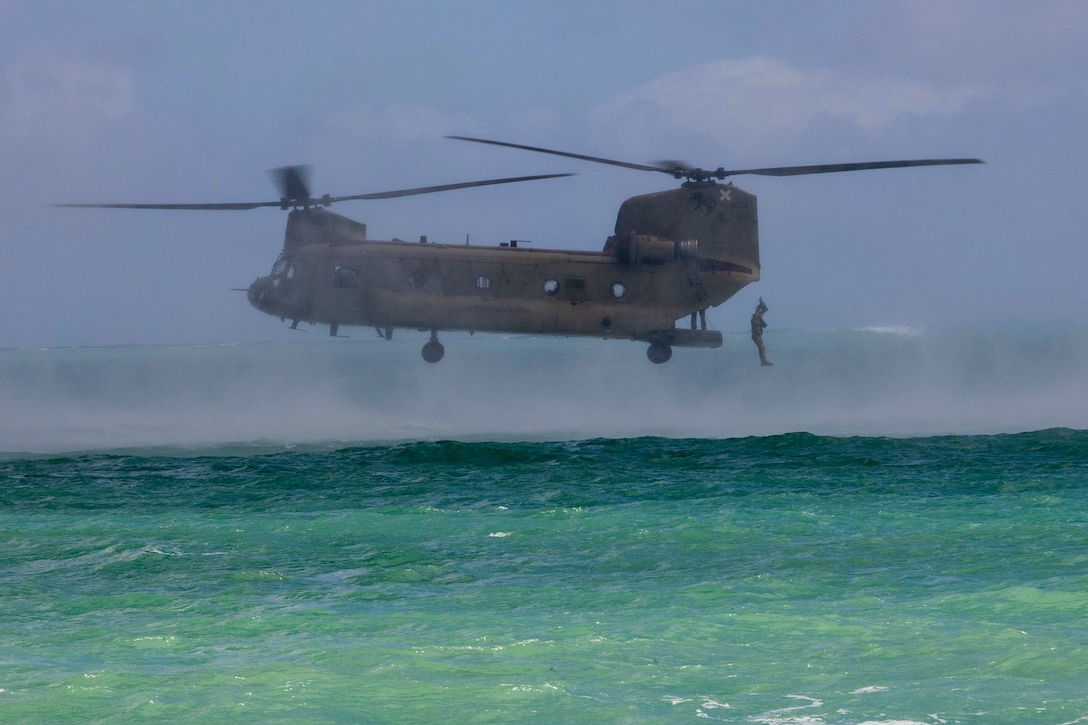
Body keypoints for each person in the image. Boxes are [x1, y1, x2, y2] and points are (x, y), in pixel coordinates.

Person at [751, 298, 773, 366]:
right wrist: (760, 307)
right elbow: (758, 313)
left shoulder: (757, 318)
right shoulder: (755, 319)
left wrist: (761, 305)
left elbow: (764, 310)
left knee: (762, 347)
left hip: (758, 335)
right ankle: (763, 361)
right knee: (761, 347)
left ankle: (764, 361)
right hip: (756, 336)